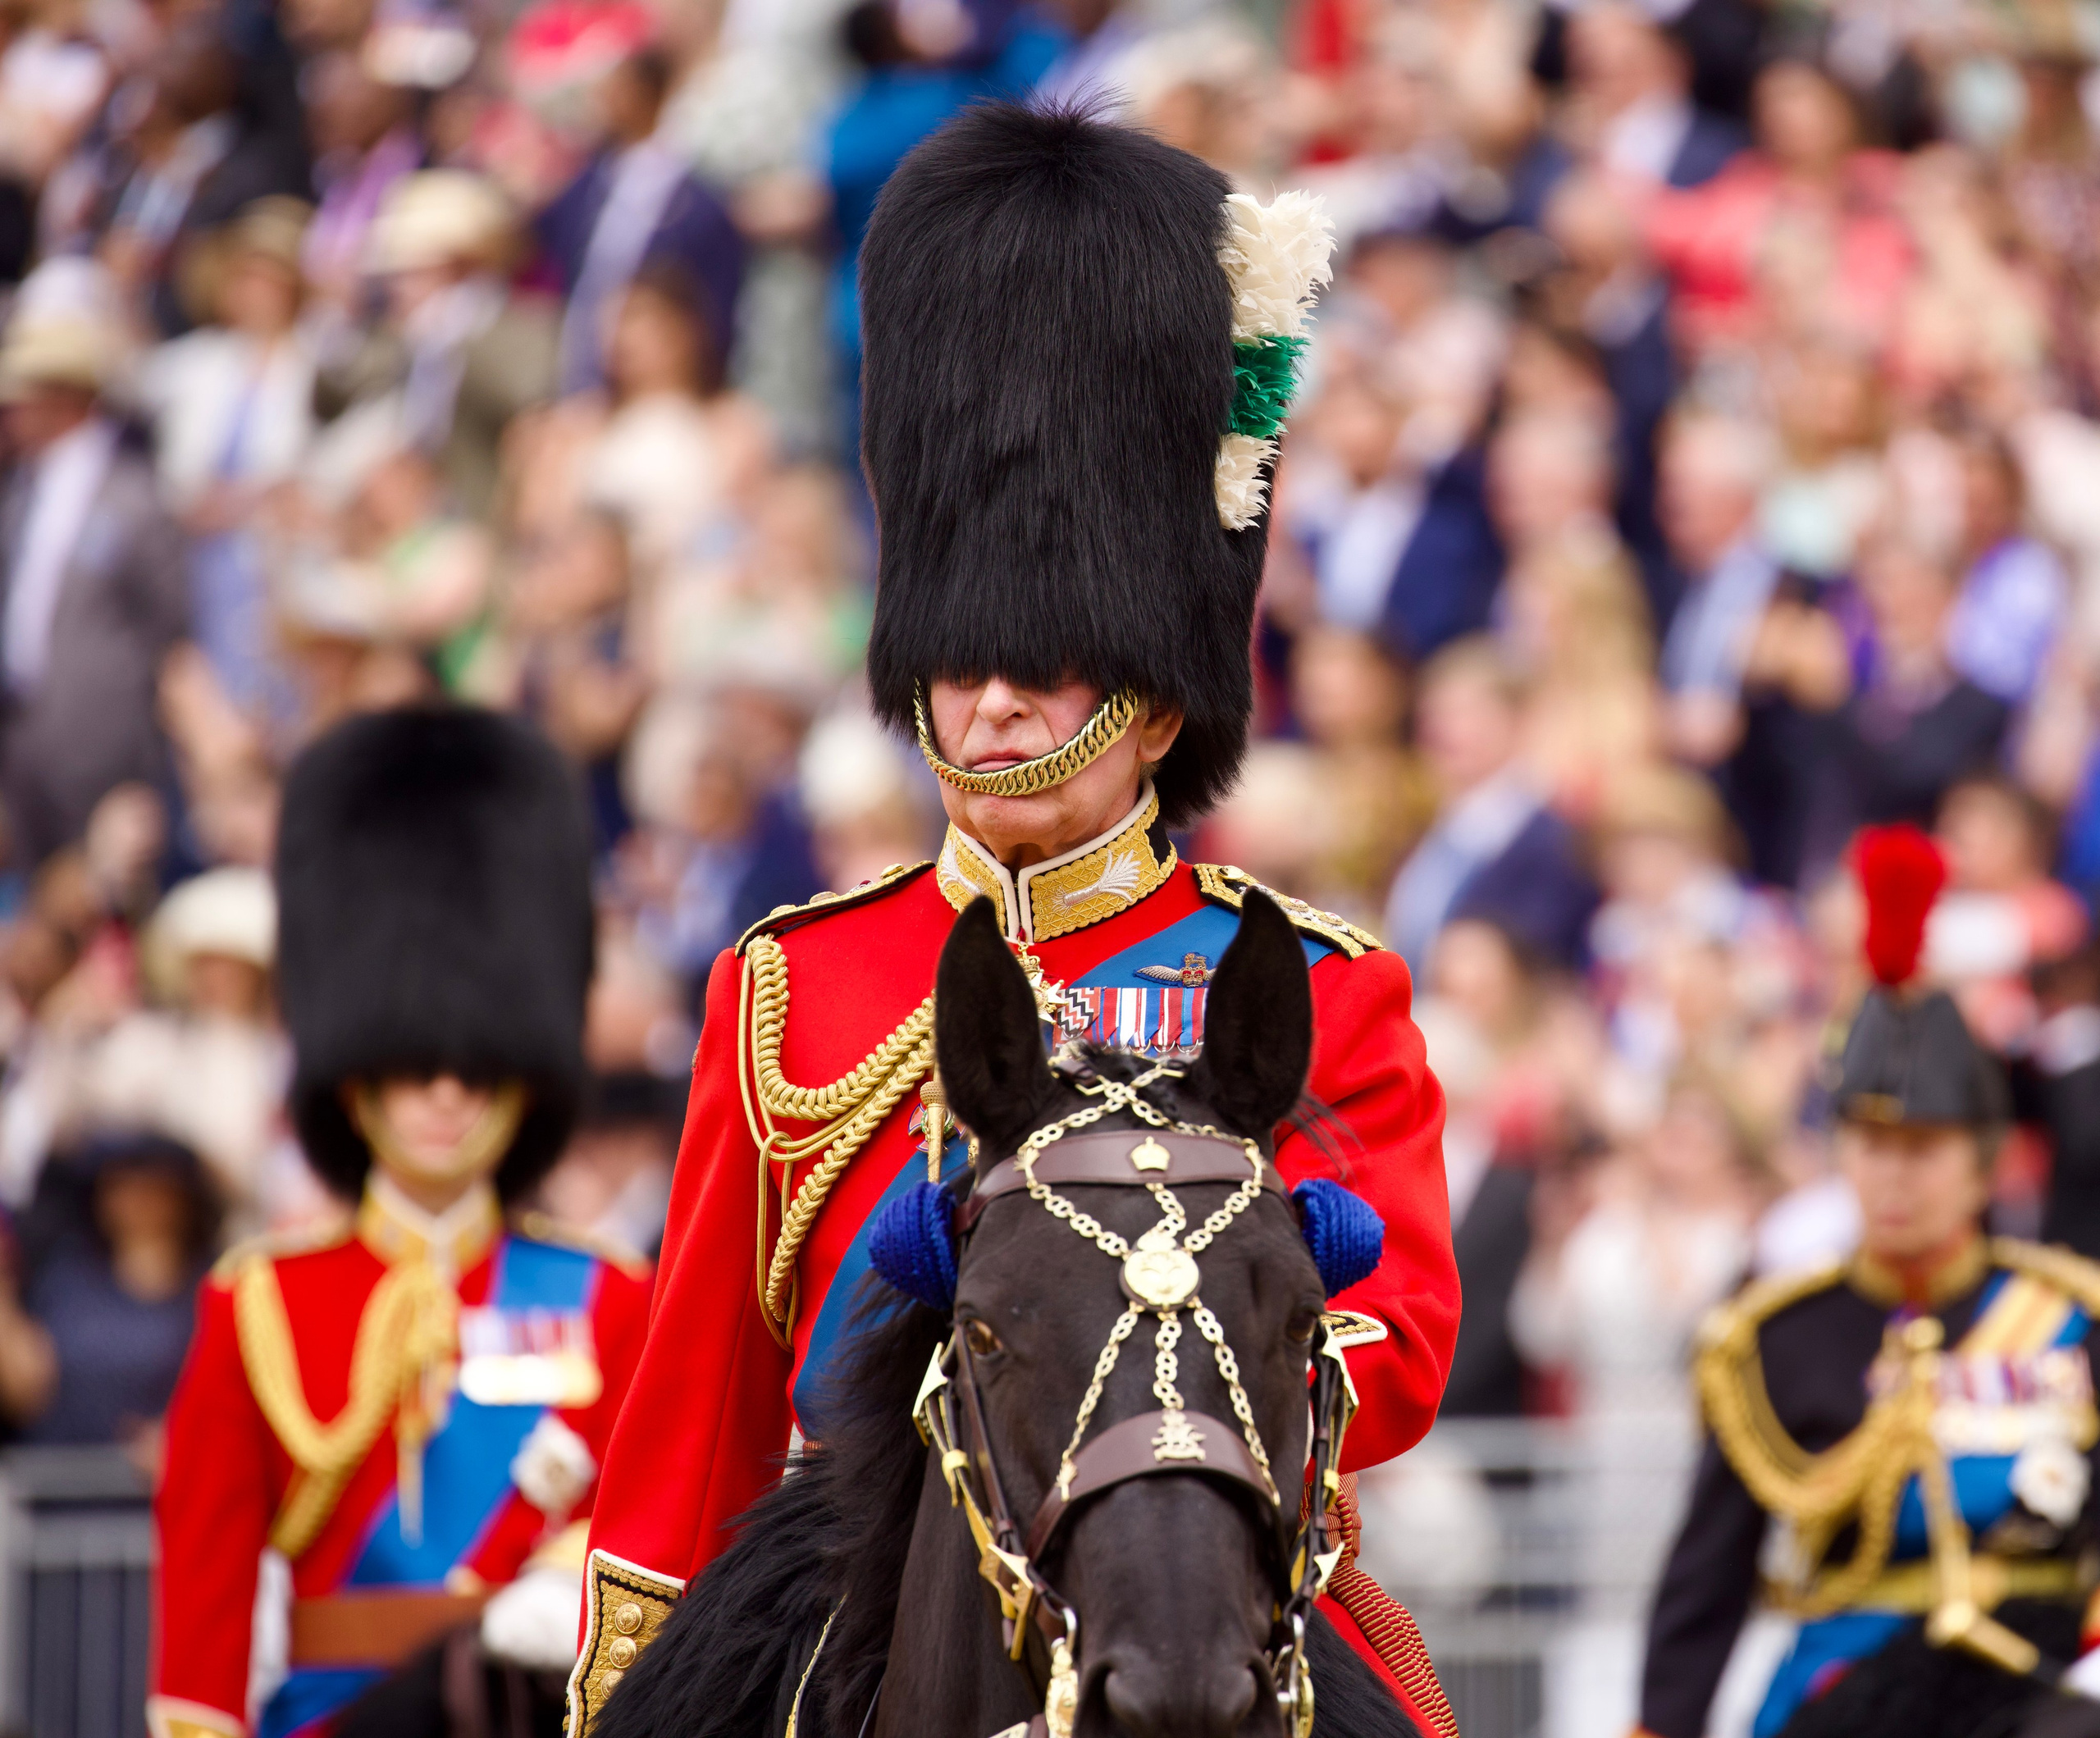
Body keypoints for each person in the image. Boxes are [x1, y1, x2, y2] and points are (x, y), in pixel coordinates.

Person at [572, 103, 1460, 1736]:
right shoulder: (792, 984)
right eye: (956, 661)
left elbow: (1398, 1342)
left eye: (1037, 666)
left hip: (1207, 1579)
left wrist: (1275, 1300)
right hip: (852, 1601)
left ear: (1153, 696)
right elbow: (689, 1418)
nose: (981, 706)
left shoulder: (1322, 988)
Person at [148, 708, 654, 1738]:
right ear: (352, 1074)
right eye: (409, 1063)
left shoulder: (610, 1297)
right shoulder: (259, 1303)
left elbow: (659, 1524)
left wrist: (565, 1573)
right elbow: (203, 1614)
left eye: (476, 1065)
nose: (444, 1094)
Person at [1637, 824, 2100, 1738]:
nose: (1894, 1175)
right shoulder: (1775, 1335)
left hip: (2040, 1681)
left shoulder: (2073, 1316)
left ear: (1983, 1163)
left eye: (1922, 1148)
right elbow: (1710, 1575)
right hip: (1846, 1691)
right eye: (1872, 1146)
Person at [0, 279, 191, 868]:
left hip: (103, 741)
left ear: (64, 396)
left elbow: (169, 626)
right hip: (23, 734)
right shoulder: (20, 495)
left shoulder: (131, 495)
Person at [536, 46, 745, 396]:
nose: (604, 102)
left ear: (648, 93)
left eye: (618, 89)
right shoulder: (589, 184)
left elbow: (715, 302)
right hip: (582, 365)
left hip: (664, 381)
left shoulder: (696, 202)